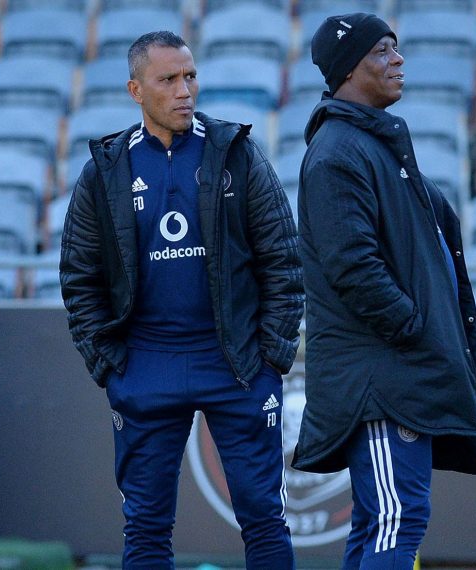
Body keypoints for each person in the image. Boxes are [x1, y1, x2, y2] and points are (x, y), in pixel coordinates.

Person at [59, 31, 303, 568]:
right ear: (135, 90)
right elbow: (79, 276)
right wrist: (109, 365)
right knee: (145, 528)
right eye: (167, 80)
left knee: (264, 517)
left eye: (189, 76)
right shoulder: (105, 171)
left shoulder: (236, 153)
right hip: (145, 366)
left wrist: (272, 356)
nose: (183, 90)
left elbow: (283, 257)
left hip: (236, 365)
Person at [290, 13, 476, 569]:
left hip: (394, 371)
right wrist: (412, 328)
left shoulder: (371, 145)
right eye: (382, 51)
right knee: (397, 518)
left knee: (379, 519)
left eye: (396, 48)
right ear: (348, 70)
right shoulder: (339, 151)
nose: (398, 60)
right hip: (384, 378)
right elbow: (352, 265)